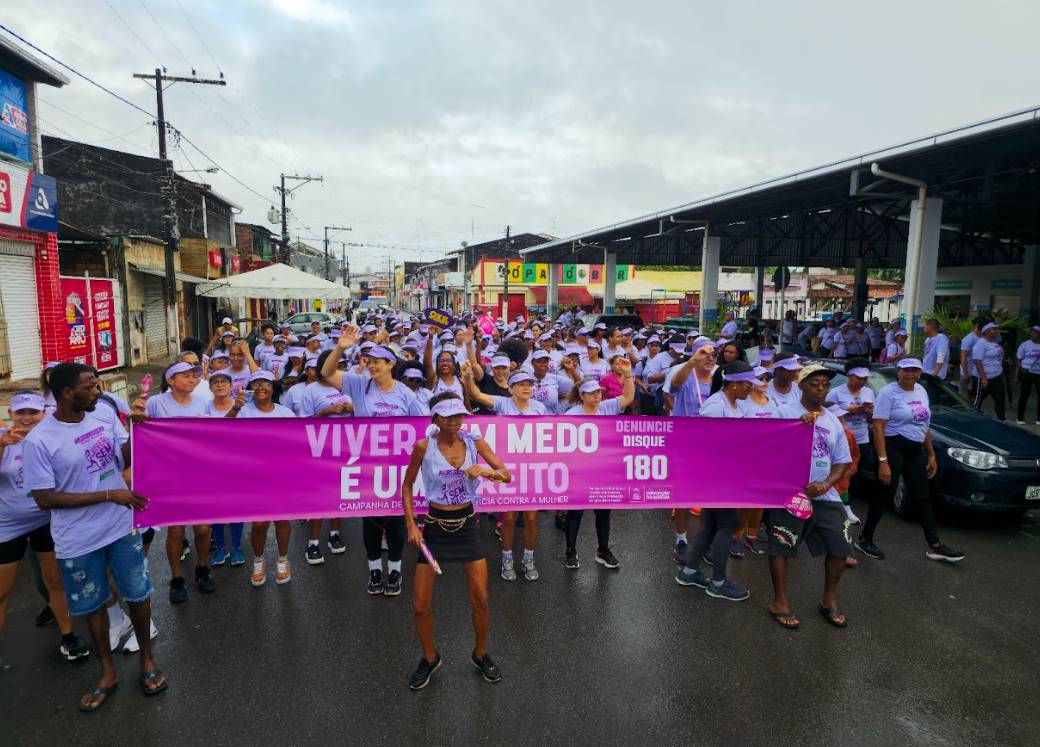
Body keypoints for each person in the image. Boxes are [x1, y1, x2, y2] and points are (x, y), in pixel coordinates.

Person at [24, 363, 167, 712]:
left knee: (139, 595)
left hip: (121, 527)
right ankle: (107, 672)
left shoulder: (102, 418)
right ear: (67, 393)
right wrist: (107, 495)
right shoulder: (39, 441)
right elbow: (44, 498)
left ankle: (148, 660)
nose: (98, 390)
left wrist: (138, 433)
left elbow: (122, 458)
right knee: (92, 606)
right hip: (78, 539)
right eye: (90, 385)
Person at [402, 394, 511, 690]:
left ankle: (480, 653)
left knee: (481, 599)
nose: (455, 421)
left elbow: (507, 475)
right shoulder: (423, 446)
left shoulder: (475, 442)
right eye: (448, 416)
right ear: (435, 418)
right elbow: (408, 484)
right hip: (435, 527)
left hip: (467, 526)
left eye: (459, 415)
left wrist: (486, 472)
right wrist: (411, 524)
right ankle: (429, 657)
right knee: (421, 605)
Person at [322, 330, 424, 596]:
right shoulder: (359, 384)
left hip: (397, 468)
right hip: (367, 466)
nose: (373, 364)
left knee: (396, 519)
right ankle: (374, 569)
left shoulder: (406, 394)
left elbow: (422, 428)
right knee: (371, 517)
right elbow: (327, 374)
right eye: (369, 360)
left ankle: (395, 569)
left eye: (379, 360)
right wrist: (340, 348)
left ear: (391, 364)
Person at [0, 391, 90, 664]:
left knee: (54, 581)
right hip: (7, 525)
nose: (26, 418)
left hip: (46, 520)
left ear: (43, 413)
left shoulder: (51, 437)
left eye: (32, 412)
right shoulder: (3, 437)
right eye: (20, 413)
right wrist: (2, 445)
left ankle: (68, 636)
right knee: (2, 592)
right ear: (11, 415)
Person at [766, 364, 852, 630]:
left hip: (825, 495)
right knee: (783, 544)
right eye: (815, 384)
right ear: (801, 386)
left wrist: (826, 484)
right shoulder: (783, 413)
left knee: (840, 545)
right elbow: (765, 447)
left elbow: (842, 462)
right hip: (790, 494)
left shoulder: (832, 421)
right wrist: (794, 427)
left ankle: (828, 599)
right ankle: (779, 602)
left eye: (826, 384)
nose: (821, 388)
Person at [856, 358, 965, 563]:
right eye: (905, 370)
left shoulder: (921, 391)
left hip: (915, 449)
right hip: (893, 446)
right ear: (898, 372)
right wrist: (883, 461)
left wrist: (931, 453)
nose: (909, 374)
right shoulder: (888, 393)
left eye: (914, 371)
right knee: (884, 494)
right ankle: (865, 539)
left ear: (919, 373)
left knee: (923, 496)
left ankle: (935, 546)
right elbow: (879, 426)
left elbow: (923, 424)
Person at [135, 362, 216, 602]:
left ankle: (202, 569)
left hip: (200, 474)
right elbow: (142, 432)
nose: (192, 379)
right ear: (170, 380)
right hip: (170, 477)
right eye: (186, 376)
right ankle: (177, 578)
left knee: (203, 528)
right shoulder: (156, 403)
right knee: (176, 530)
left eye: (195, 376)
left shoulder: (204, 403)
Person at [674, 362, 754, 601]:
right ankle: (718, 582)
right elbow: (702, 442)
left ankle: (689, 572)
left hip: (724, 475)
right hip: (717, 477)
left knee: (710, 525)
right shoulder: (715, 406)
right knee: (727, 524)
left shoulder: (732, 404)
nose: (751, 389)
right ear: (734, 384)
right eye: (748, 384)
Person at [463, 366, 546, 582]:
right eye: (521, 384)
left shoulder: (540, 407)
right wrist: (469, 379)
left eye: (529, 384)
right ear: (510, 389)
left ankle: (528, 558)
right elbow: (477, 395)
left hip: (532, 469)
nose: (527, 388)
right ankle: (507, 558)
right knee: (508, 518)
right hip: (506, 469)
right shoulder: (502, 403)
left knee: (531, 517)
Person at [562, 365, 634, 570]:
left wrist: (628, 373)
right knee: (575, 513)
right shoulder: (571, 415)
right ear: (582, 395)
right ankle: (570, 551)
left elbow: (628, 397)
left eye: (599, 393)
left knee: (603, 512)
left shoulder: (607, 407)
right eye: (592, 393)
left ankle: (603, 550)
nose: (597, 396)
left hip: (603, 470)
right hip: (579, 471)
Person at [731, 366, 779, 553]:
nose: (765, 381)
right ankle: (736, 535)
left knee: (761, 499)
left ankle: (752, 535)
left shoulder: (772, 402)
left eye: (767, 377)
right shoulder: (743, 403)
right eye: (760, 378)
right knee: (745, 500)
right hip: (747, 457)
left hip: (768, 456)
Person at [827, 358, 875, 525]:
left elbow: (871, 420)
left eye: (864, 378)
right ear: (849, 375)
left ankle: (848, 505)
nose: (861, 381)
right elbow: (829, 416)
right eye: (858, 377)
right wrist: (849, 411)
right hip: (843, 439)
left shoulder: (868, 392)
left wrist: (869, 412)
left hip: (862, 438)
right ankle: (838, 506)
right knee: (841, 474)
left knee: (856, 473)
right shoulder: (836, 393)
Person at [972, 322, 1007, 421]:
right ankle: (973, 417)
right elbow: (978, 361)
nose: (996, 331)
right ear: (986, 332)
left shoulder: (995, 343)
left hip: (996, 376)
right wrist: (983, 378)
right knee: (978, 399)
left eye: (996, 329)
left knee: (1000, 399)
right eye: (993, 329)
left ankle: (1002, 420)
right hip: (983, 378)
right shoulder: (981, 344)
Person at [1014, 325, 1040, 425]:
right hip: (1027, 372)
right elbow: (1019, 361)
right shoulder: (1024, 345)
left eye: (1035, 332)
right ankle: (1020, 417)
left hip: (1039, 373)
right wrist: (1016, 375)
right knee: (1024, 395)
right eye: (1032, 332)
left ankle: (1039, 418)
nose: (1033, 334)